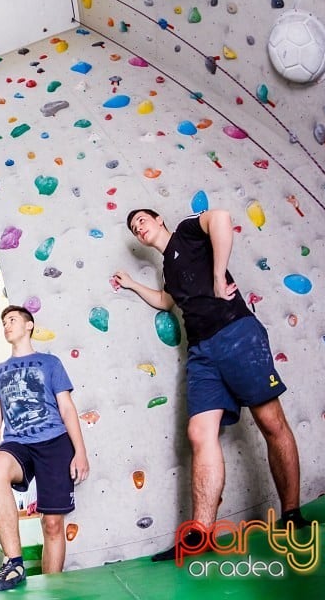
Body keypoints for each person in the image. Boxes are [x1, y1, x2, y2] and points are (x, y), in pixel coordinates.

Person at [113, 208, 309, 562]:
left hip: (235, 332)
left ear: (159, 221)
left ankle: (291, 514)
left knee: (269, 421)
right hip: (202, 353)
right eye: (132, 227)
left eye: (142, 219)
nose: (138, 227)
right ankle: (200, 534)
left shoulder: (188, 232)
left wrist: (219, 276)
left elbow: (220, 216)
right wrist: (131, 284)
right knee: (199, 433)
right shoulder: (168, 269)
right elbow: (165, 300)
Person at [0, 306, 89, 592]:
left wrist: (80, 451)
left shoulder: (50, 363)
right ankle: (14, 563)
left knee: (52, 524)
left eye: (12, 320)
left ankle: (53, 588)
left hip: (54, 442)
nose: (7, 325)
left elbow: (67, 409)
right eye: (3, 322)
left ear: (29, 325)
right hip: (18, 443)